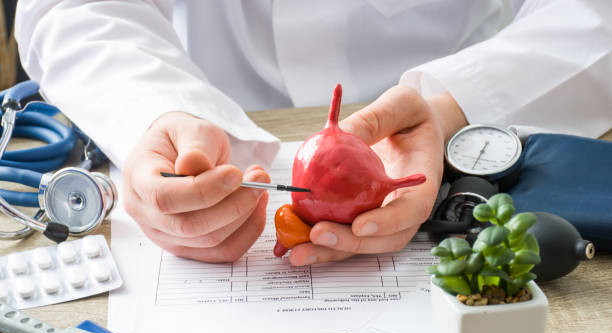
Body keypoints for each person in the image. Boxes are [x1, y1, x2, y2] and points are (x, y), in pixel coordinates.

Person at [14, 1, 612, 266]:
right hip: (209, 118)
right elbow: (73, 8)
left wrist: (451, 107)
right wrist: (152, 112)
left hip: (464, 139)